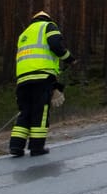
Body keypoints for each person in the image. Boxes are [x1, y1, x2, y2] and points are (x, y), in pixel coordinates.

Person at [9, 10, 72, 157]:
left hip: (23, 79)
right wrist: (70, 59)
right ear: (47, 18)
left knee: (25, 112)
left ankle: (16, 146)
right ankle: (37, 147)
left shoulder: (24, 34)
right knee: (40, 112)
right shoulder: (48, 26)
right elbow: (56, 45)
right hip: (42, 77)